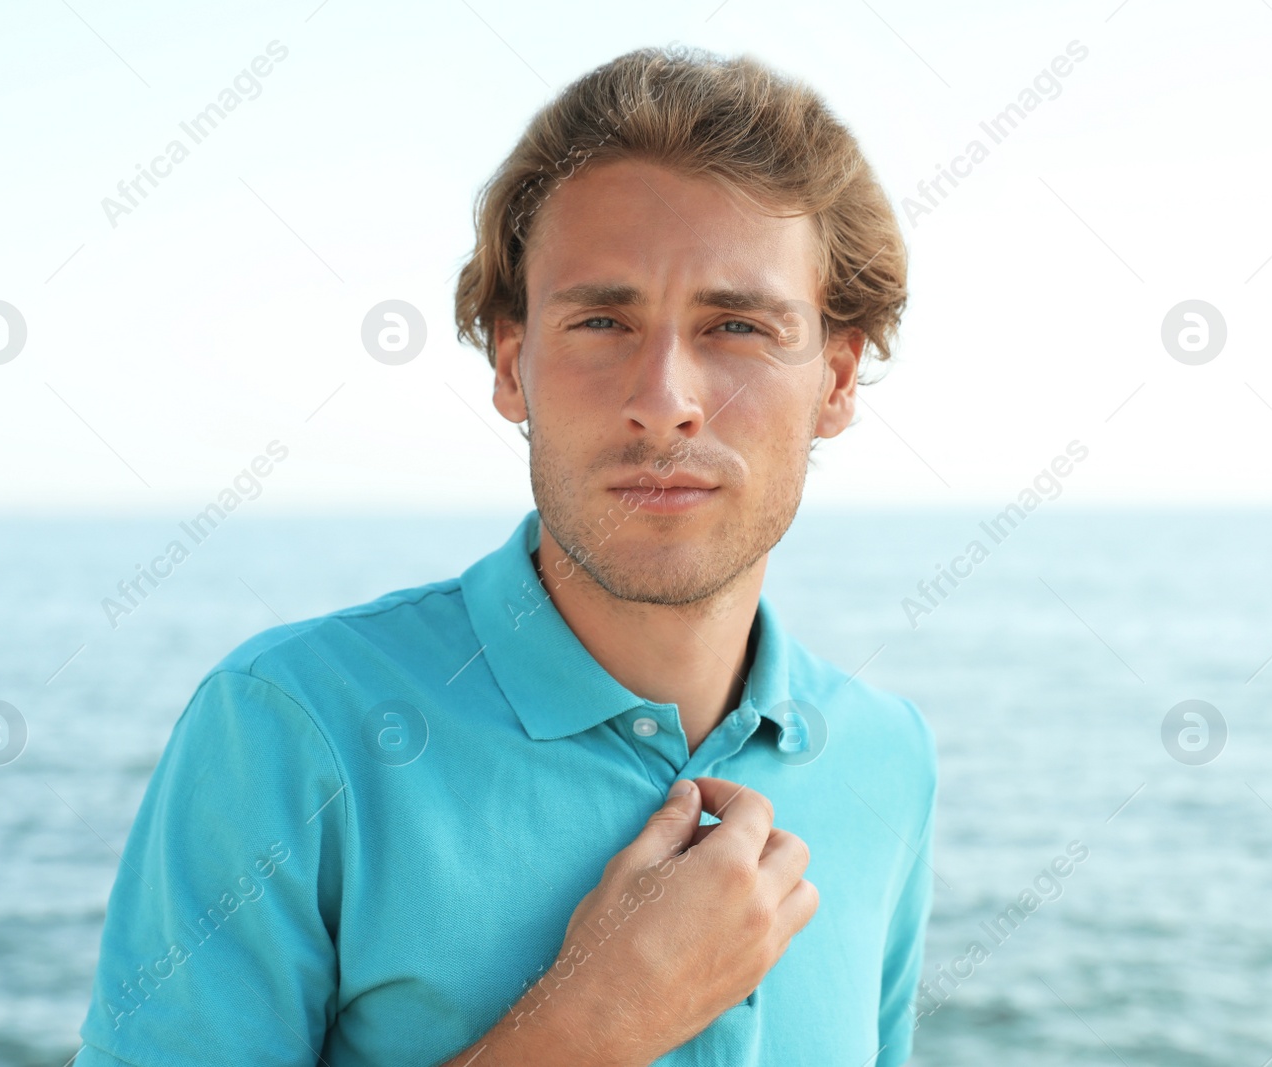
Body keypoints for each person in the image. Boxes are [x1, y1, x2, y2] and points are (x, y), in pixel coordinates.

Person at [74, 42, 936, 1067]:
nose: (664, 398)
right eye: (603, 319)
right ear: (512, 364)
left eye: (738, 324)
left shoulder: (887, 757)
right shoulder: (290, 727)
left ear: (836, 380)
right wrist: (592, 1024)